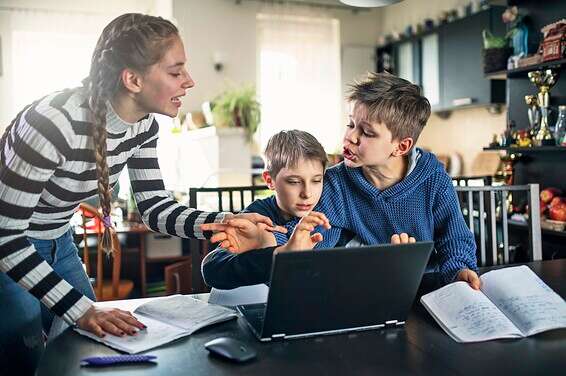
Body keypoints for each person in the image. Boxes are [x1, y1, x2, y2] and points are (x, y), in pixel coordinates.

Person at [0, 13, 279, 374]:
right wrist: (82, 310)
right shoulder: (55, 122)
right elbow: (6, 235)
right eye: (176, 72)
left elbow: (155, 208)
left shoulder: (143, 126)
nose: (190, 82)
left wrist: (222, 221)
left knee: (80, 351)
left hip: (58, 240)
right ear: (132, 79)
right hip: (10, 249)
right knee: (24, 359)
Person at [204, 72, 479, 291]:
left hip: (430, 290)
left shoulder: (433, 177)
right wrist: (266, 239)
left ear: (401, 145)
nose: (351, 137)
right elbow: (310, 237)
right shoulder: (336, 183)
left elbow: (454, 236)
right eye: (350, 124)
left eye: (367, 132)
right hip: (380, 292)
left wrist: (458, 271)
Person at [201, 130, 415, 289]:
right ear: (270, 180)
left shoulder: (328, 216)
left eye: (316, 181)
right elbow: (212, 269)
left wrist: (394, 261)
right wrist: (277, 253)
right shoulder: (258, 218)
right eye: (294, 182)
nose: (307, 193)